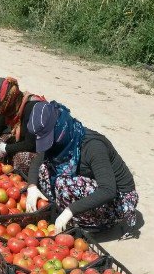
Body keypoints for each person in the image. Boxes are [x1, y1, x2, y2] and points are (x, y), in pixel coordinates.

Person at [25, 101, 139, 237]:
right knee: (45, 168)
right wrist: (32, 187)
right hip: (94, 187)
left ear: (60, 127)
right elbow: (38, 160)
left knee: (63, 183)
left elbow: (108, 190)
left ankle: (95, 224)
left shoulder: (93, 147)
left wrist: (70, 211)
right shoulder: (64, 140)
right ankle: (67, 212)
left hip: (119, 200)